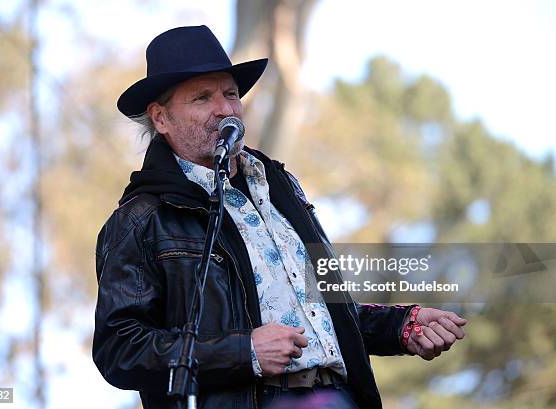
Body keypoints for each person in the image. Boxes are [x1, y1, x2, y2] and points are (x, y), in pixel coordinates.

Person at [92, 25, 467, 409]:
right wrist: (244, 351)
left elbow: (326, 312)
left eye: (231, 94)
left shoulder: (281, 189)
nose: (225, 109)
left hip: (336, 397)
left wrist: (399, 326)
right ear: (161, 119)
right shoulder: (140, 220)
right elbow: (119, 349)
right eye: (202, 98)